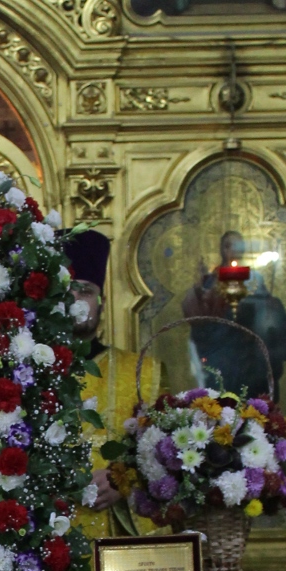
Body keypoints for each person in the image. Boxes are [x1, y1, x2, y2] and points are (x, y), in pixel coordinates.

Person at [67, 230, 167, 540]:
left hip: (121, 542)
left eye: (85, 291)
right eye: (64, 291)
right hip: (50, 540)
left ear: (102, 302)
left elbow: (169, 454)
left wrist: (124, 480)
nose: (74, 300)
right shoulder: (24, 377)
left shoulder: (144, 372)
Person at [182, 229, 286, 398]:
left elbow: (264, 305)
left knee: (252, 389)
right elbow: (201, 316)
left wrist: (264, 307)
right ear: (222, 249)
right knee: (222, 390)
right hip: (221, 347)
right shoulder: (211, 280)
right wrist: (201, 291)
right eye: (228, 246)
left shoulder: (254, 278)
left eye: (237, 246)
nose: (233, 251)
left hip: (250, 348)